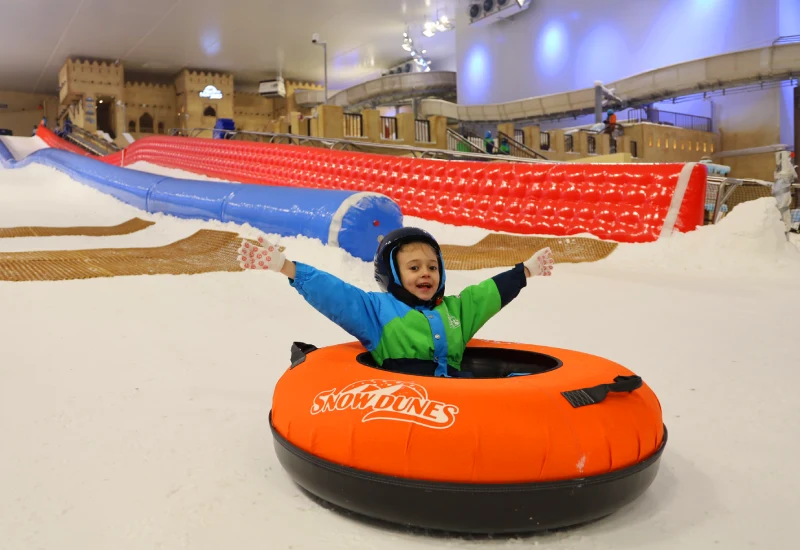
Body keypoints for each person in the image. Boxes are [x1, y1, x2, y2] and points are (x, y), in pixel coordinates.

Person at [236, 227, 554, 377]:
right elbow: (338, 296)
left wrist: (525, 270)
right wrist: (288, 268)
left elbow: (488, 294)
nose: (425, 274)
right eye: (413, 268)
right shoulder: (378, 313)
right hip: (409, 402)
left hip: (460, 394)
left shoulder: (456, 310)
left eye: (432, 267)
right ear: (393, 275)